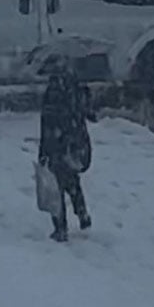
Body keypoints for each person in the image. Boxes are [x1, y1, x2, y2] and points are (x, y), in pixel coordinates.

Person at [38, 70, 92, 241]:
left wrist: (44, 151)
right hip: (73, 145)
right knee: (73, 182)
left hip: (56, 146)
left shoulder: (53, 95)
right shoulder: (75, 92)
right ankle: (82, 213)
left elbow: (47, 124)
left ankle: (60, 228)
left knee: (56, 189)